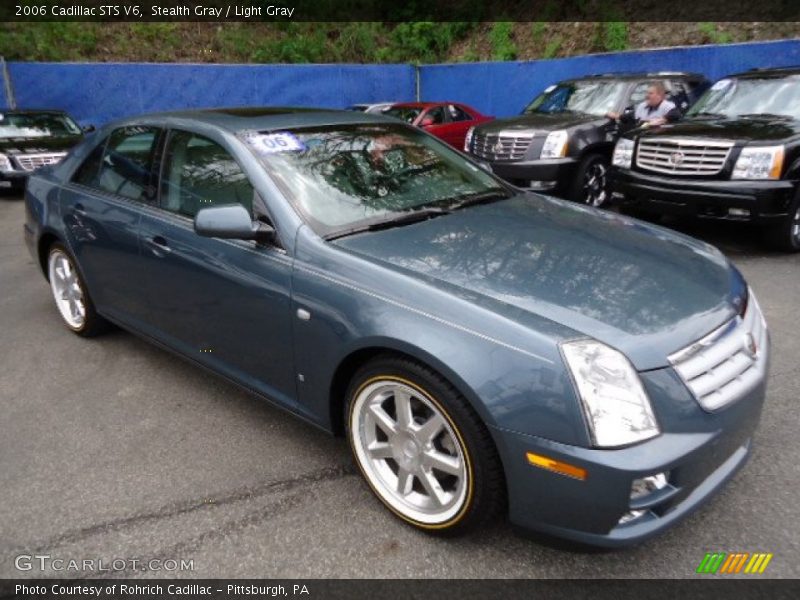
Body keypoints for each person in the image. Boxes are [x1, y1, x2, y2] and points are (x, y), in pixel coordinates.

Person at [606, 81, 681, 128]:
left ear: (660, 95)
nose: (646, 96)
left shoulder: (667, 106)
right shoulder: (642, 106)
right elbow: (631, 117)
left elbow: (676, 114)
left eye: (650, 93)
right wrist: (617, 116)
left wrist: (663, 119)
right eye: (646, 93)